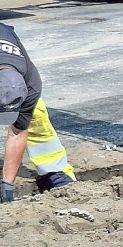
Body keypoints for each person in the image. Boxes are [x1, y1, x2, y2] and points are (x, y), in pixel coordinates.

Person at [1, 23, 75, 204]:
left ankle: (55, 171)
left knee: (35, 115)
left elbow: (17, 133)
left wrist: (7, 186)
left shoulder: (31, 83)